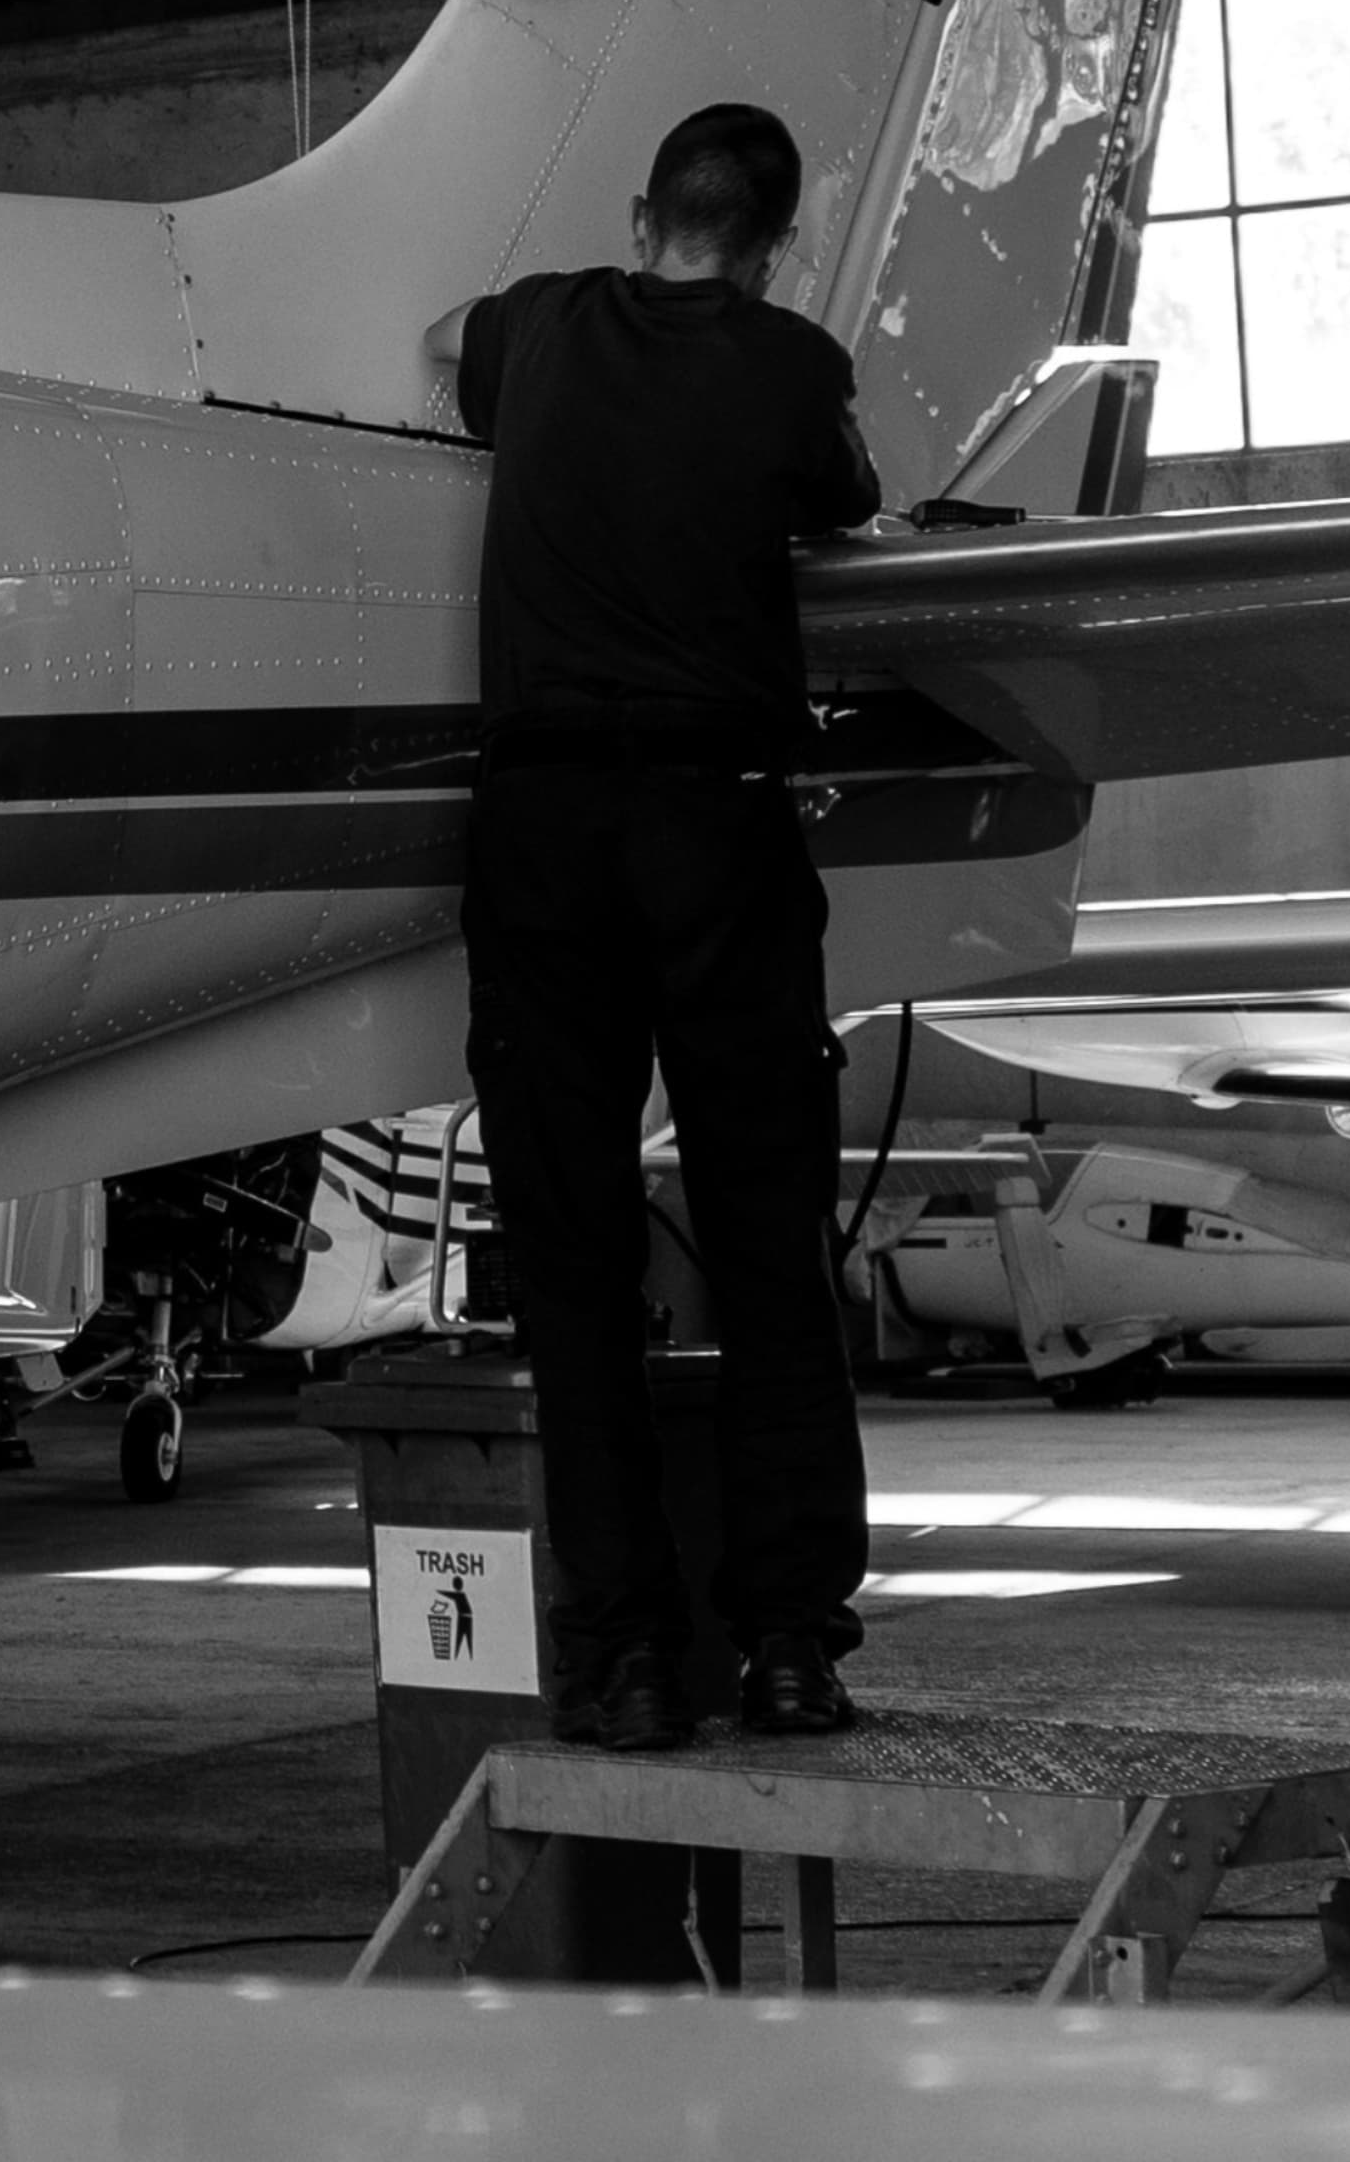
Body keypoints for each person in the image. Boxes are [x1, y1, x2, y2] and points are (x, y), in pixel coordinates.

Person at [449, 102, 881, 1749]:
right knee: (769, 1240)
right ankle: (785, 1643)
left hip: (543, 832)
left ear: (643, 217)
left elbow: (440, 342)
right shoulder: (787, 364)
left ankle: (622, 1660)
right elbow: (844, 501)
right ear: (772, 245)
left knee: (572, 1263)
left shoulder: (542, 324)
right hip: (718, 825)